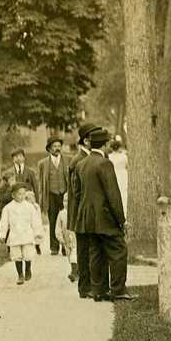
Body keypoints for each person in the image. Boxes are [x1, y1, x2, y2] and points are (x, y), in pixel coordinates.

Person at [75, 126, 135, 302]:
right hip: (104, 217)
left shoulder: (82, 164)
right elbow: (113, 194)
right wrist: (121, 220)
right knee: (119, 250)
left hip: (88, 217)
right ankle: (118, 289)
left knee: (96, 253)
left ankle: (99, 291)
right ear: (105, 144)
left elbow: (78, 193)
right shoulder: (104, 163)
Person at [67, 122, 97, 298]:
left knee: (88, 250)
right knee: (84, 251)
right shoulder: (78, 160)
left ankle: (89, 285)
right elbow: (76, 192)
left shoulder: (85, 158)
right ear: (86, 141)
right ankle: (85, 287)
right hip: (80, 214)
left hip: (84, 212)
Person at [0, 183, 44, 285]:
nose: (22, 196)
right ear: (13, 195)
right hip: (15, 235)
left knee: (28, 254)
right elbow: (4, 222)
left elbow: (35, 220)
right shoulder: (8, 208)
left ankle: (28, 269)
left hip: (27, 234)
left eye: (23, 194)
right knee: (16, 255)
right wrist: (3, 234)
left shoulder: (29, 207)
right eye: (19, 194)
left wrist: (38, 232)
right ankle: (20, 274)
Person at [36, 137, 70, 256]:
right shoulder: (43, 164)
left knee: (67, 221)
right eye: (54, 146)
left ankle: (66, 246)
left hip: (65, 195)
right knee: (53, 220)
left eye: (59, 146)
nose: (57, 148)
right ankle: (54, 247)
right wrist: (41, 200)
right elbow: (41, 183)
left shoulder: (68, 160)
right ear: (49, 149)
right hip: (51, 195)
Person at [55, 192, 78, 282]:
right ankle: (76, 271)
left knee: (74, 256)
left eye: (68, 201)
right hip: (66, 239)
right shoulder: (61, 214)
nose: (66, 203)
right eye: (64, 201)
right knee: (70, 256)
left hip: (76, 238)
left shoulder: (76, 212)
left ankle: (74, 273)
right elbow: (58, 227)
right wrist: (60, 238)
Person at [108, 138, 129, 217]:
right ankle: (124, 211)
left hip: (114, 174)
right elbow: (127, 165)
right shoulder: (124, 156)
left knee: (117, 192)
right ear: (119, 147)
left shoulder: (109, 157)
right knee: (123, 192)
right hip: (123, 174)